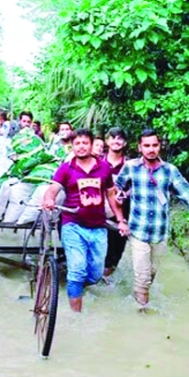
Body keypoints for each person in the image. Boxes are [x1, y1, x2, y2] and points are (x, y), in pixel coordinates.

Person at [113, 129, 189, 310]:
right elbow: (116, 186)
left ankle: (139, 294)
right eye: (146, 146)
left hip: (160, 233)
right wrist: (120, 195)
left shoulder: (169, 170)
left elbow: (184, 190)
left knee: (151, 273)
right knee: (143, 277)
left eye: (154, 145)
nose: (151, 149)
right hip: (138, 231)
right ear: (140, 147)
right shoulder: (131, 167)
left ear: (160, 147)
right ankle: (142, 311)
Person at [43, 128, 122, 312]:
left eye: (85, 143)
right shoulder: (66, 168)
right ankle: (76, 316)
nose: (81, 147)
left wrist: (121, 220)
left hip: (98, 227)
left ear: (92, 144)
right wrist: (49, 199)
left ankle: (76, 288)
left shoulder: (104, 168)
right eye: (77, 143)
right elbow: (53, 189)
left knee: (95, 274)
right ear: (72, 146)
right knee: (77, 270)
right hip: (73, 225)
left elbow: (111, 194)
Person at [102, 127, 129, 278]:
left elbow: (136, 185)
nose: (116, 141)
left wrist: (125, 194)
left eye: (120, 138)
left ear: (124, 143)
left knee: (117, 248)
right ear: (107, 141)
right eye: (113, 138)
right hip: (99, 210)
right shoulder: (98, 162)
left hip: (122, 211)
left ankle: (108, 274)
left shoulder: (130, 165)